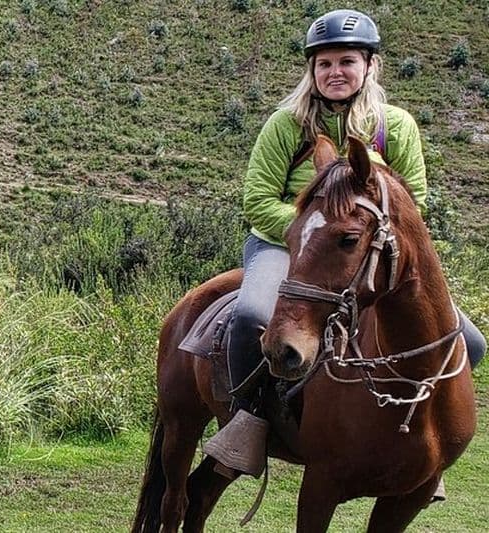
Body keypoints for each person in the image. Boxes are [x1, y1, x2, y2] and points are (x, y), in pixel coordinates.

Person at [204, 9, 486, 477]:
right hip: (284, 246)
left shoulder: (395, 126)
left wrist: (353, 237)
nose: (335, 72)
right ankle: (246, 420)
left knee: (470, 342)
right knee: (252, 315)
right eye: (325, 63)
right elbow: (257, 200)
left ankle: (418, 442)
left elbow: (412, 202)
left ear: (369, 66)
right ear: (311, 71)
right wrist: (314, 234)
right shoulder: (286, 125)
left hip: (363, 252)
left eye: (346, 62)